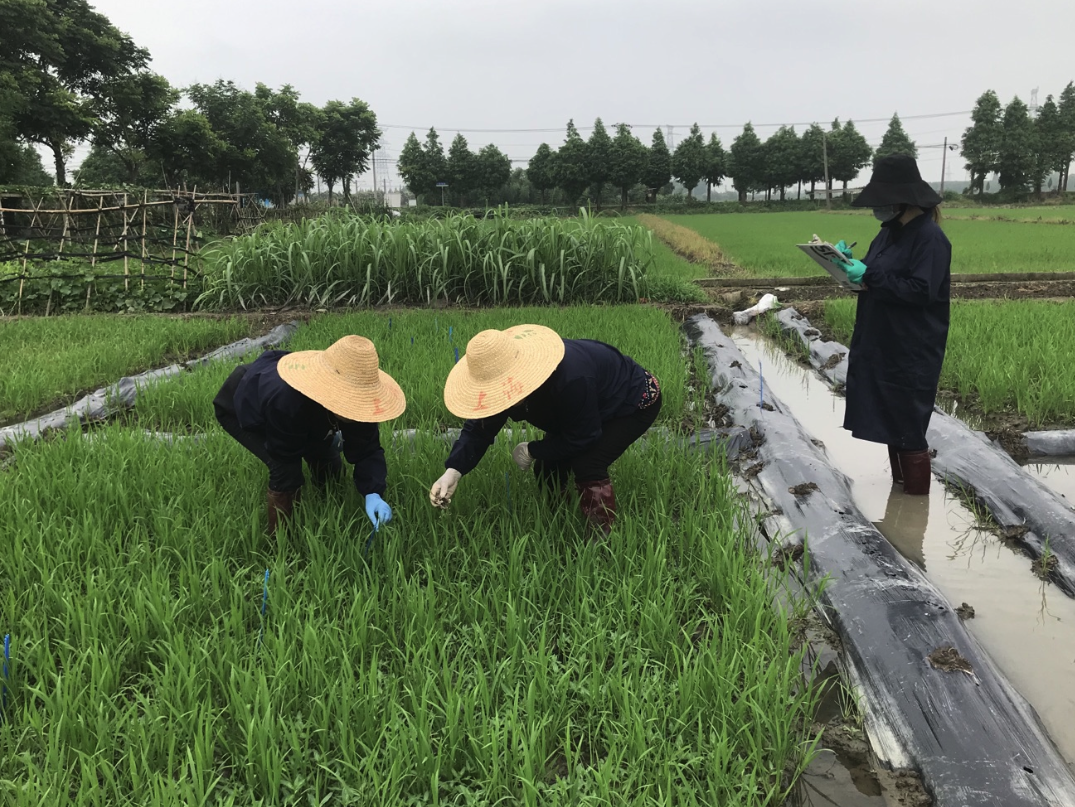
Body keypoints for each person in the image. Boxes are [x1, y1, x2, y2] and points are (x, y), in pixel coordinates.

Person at [428, 324, 662, 536]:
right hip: (583, 405)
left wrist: (532, 449)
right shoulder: (505, 383)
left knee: (587, 463)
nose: (499, 398)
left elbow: (584, 437)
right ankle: (560, 516)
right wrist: (454, 470)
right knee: (546, 467)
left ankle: (602, 536)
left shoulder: (569, 378)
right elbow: (480, 428)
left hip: (631, 403)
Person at [830, 153, 951, 495]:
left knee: (909, 427)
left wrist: (870, 274)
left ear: (902, 200)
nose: (877, 208)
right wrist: (846, 264)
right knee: (891, 422)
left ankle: (915, 506)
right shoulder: (887, 234)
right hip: (881, 340)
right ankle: (901, 491)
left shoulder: (930, 239)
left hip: (911, 347)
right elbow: (872, 277)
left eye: (882, 200)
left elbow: (921, 291)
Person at [213, 335, 406, 535]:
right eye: (352, 399)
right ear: (332, 390)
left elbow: (367, 448)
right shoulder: (287, 400)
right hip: (243, 407)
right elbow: (285, 454)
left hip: (303, 409)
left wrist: (373, 492)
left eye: (360, 399)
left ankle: (327, 505)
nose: (357, 407)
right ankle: (281, 544)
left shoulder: (358, 404)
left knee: (330, 470)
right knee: (285, 470)